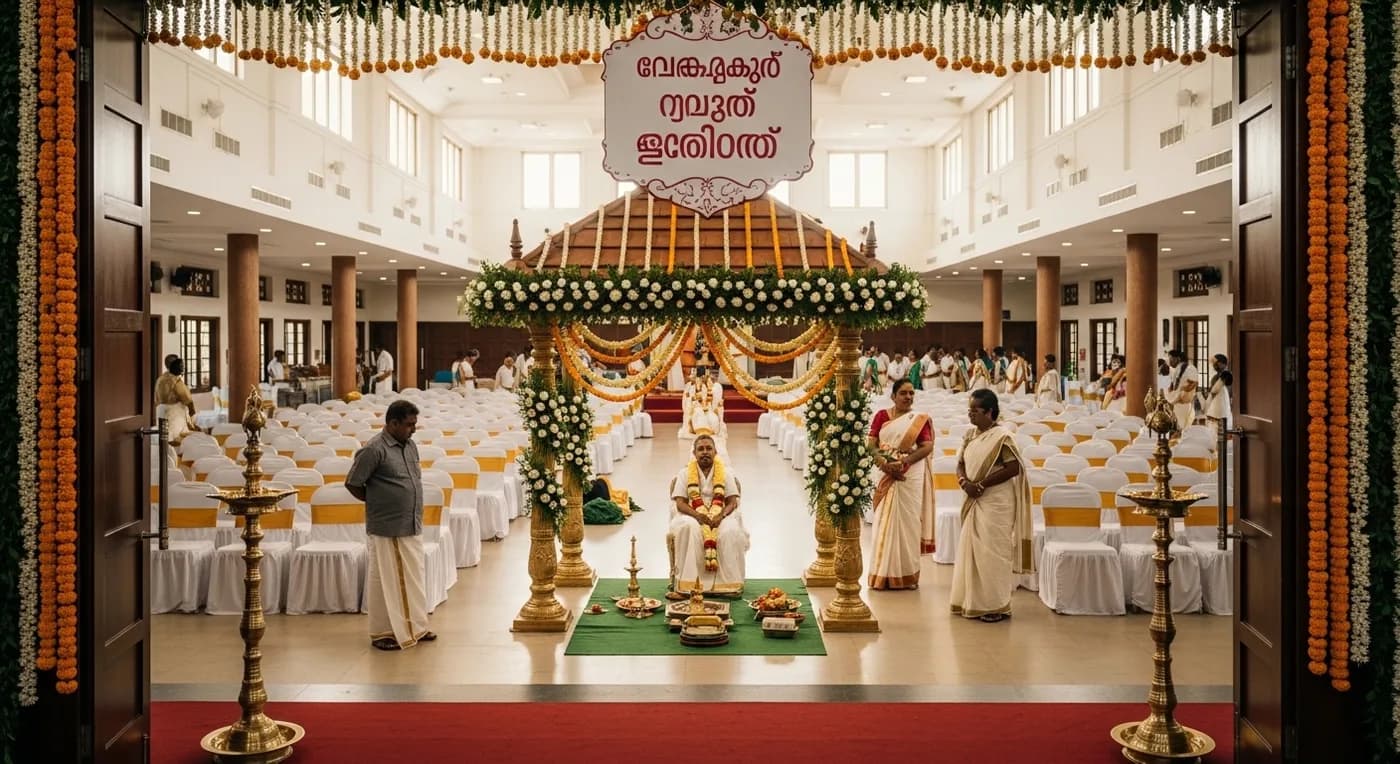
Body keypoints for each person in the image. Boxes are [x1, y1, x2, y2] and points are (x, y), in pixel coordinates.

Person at [344, 400, 435, 651]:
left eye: (415, 424)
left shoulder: (410, 446)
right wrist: (377, 502)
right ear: (392, 423)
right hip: (388, 524)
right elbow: (353, 483)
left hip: (411, 522)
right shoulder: (374, 449)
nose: (413, 429)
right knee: (385, 579)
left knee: (413, 576)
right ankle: (383, 631)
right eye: (409, 425)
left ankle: (416, 625)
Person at [949, 389, 1035, 623]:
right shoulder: (969, 435)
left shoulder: (1002, 437)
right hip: (974, 496)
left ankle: (995, 605)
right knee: (972, 550)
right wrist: (964, 482)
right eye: (969, 410)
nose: (971, 415)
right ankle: (970, 600)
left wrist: (981, 484)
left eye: (975, 411)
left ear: (990, 412)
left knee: (993, 553)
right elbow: (960, 464)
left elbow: (1013, 468)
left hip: (996, 501)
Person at [867, 379, 936, 590]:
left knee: (908, 523)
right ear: (893, 396)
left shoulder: (918, 420)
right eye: (903, 393)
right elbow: (871, 443)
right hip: (885, 471)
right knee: (883, 520)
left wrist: (904, 462)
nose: (908, 397)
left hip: (911, 473)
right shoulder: (881, 416)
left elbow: (926, 447)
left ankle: (906, 575)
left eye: (911, 393)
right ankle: (882, 574)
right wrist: (884, 463)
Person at [670, 434, 749, 596]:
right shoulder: (684, 473)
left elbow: (732, 501)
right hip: (692, 514)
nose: (705, 452)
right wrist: (698, 516)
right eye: (701, 449)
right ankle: (689, 584)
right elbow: (680, 502)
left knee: (730, 530)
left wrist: (721, 516)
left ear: (715, 452)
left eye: (708, 448)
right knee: (688, 527)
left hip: (721, 515)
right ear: (694, 453)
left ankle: (728, 585)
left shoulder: (726, 472)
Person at [154, 354, 197, 444]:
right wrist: (192, 420)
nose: (182, 367)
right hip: (175, 417)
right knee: (179, 441)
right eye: (180, 365)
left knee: (165, 440)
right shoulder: (176, 381)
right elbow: (188, 400)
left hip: (161, 415)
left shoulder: (160, 379)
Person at [1166, 349, 1200, 431]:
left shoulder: (1190, 368)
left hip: (1184, 402)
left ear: (1178, 358)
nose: (1169, 362)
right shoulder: (1177, 369)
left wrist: (1181, 392)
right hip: (1177, 402)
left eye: (1171, 359)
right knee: (1177, 427)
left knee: (1183, 428)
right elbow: (1174, 385)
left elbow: (1193, 384)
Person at [1201, 354, 1233, 438]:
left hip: (1222, 404)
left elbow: (1215, 390)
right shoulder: (1216, 376)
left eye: (1217, 363)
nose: (1214, 365)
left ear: (1223, 363)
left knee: (1221, 430)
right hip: (1214, 405)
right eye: (1214, 363)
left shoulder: (1227, 374)